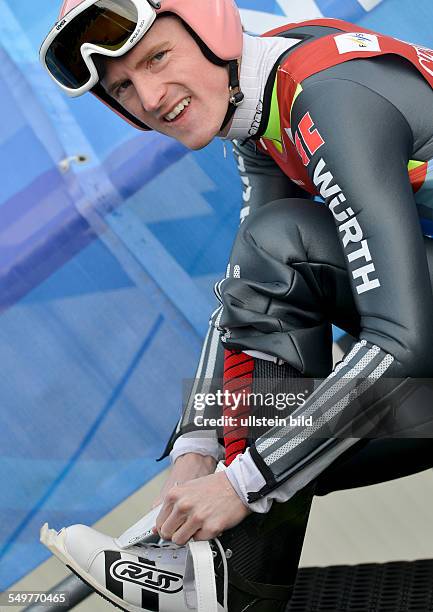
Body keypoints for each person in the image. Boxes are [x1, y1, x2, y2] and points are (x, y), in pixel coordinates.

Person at [40, 1, 433, 610]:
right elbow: (242, 293)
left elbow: (404, 340)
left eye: (157, 57)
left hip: (419, 342)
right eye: (122, 87)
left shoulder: (326, 96)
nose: (147, 96)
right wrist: (198, 447)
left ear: (212, 29)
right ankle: (236, 587)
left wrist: (243, 482)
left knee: (281, 249)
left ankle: (232, 584)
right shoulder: (265, 104)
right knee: (282, 426)